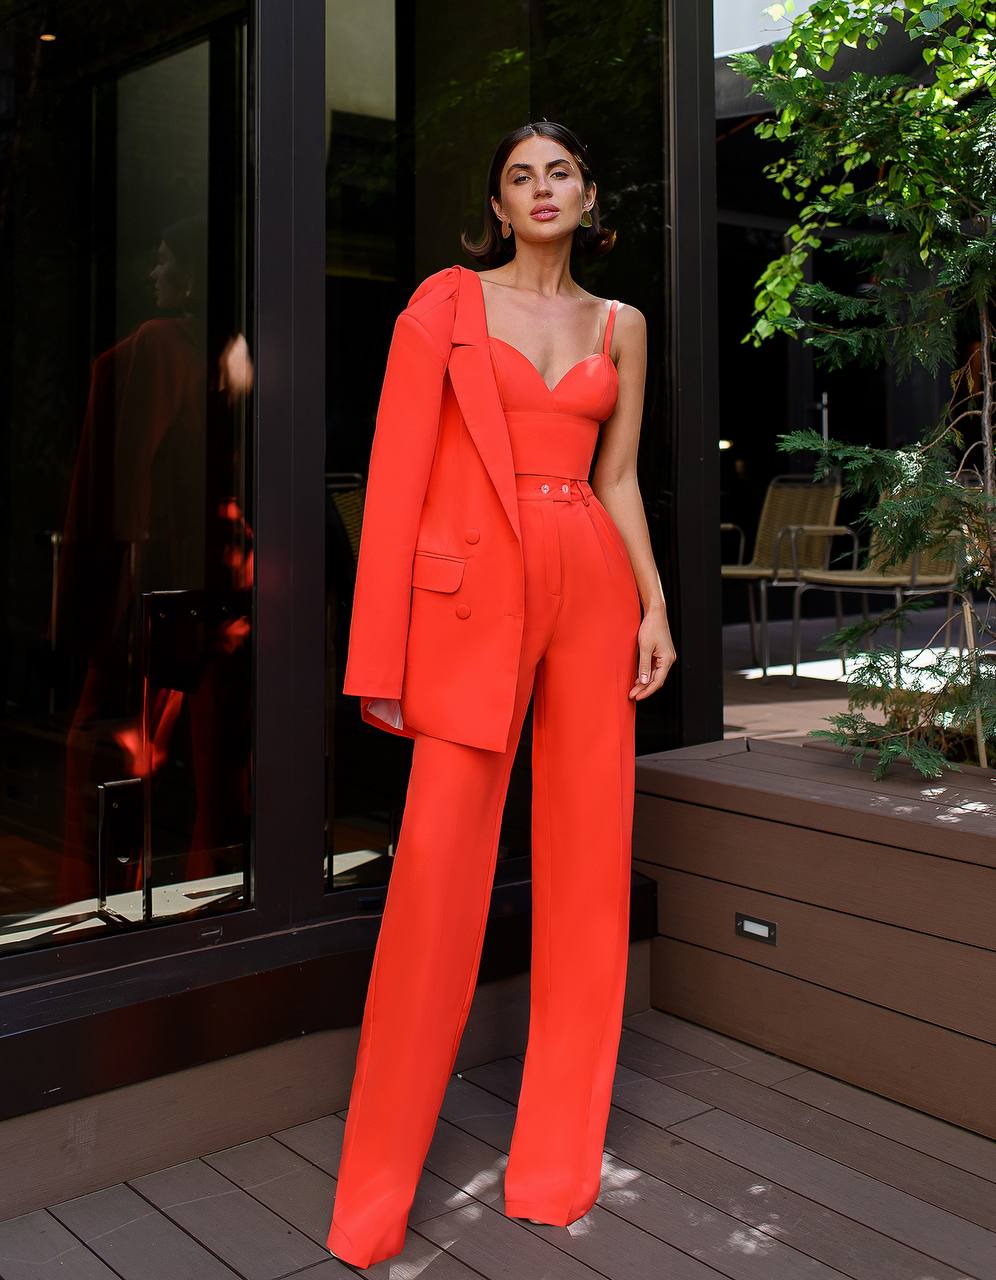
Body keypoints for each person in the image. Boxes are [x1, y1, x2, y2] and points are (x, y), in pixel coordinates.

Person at [327, 120, 676, 1268]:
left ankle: (556, 1163)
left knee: (589, 869)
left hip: (592, 591)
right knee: (436, 871)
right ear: (498, 201)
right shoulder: (446, 306)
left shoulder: (621, 325)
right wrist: (380, 658)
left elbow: (617, 476)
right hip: (474, 601)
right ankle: (374, 1200)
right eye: (521, 175)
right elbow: (394, 477)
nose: (541, 189)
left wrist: (655, 605)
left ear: (588, 194)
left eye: (559, 172)